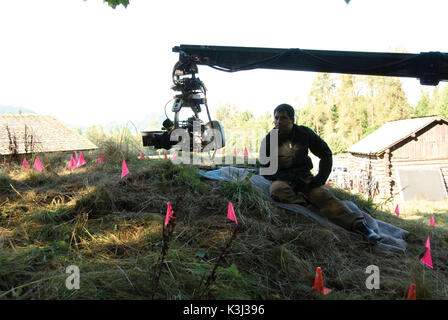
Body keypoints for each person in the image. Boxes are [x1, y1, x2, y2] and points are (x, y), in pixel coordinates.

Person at [259, 103, 382, 244]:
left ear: (292, 119)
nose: (279, 122)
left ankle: (362, 228)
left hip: (303, 176)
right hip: (282, 178)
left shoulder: (304, 133)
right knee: (277, 190)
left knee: (325, 197)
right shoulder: (269, 140)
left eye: (283, 118)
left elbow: (325, 153)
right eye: (276, 118)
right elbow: (264, 169)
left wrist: (320, 178)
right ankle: (310, 209)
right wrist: (285, 177)